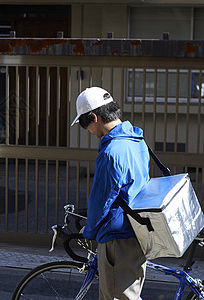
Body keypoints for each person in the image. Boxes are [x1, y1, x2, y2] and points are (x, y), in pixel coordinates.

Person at [71, 87, 150, 300]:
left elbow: (101, 200)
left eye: (84, 124)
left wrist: (89, 230)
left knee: (116, 297)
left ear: (94, 118)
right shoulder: (136, 139)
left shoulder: (111, 152)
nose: (86, 130)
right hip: (137, 229)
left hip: (118, 237)